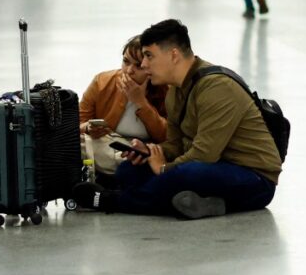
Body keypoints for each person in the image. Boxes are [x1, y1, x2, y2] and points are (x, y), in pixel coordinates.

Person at [73, 19, 282, 219]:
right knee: (130, 169)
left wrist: (163, 168)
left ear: (173, 55)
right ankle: (209, 204)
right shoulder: (175, 90)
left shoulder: (217, 87)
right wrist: (151, 152)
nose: (144, 65)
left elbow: (203, 155)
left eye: (148, 56)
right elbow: (175, 144)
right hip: (213, 167)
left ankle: (113, 201)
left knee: (187, 173)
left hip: (254, 178)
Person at [80, 36, 168, 187]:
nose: (129, 71)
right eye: (126, 61)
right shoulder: (101, 82)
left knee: (154, 154)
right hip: (109, 144)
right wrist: (88, 127)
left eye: (138, 66)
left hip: (147, 149)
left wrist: (140, 102)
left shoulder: (167, 88)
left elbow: (166, 135)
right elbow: (77, 123)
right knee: (78, 144)